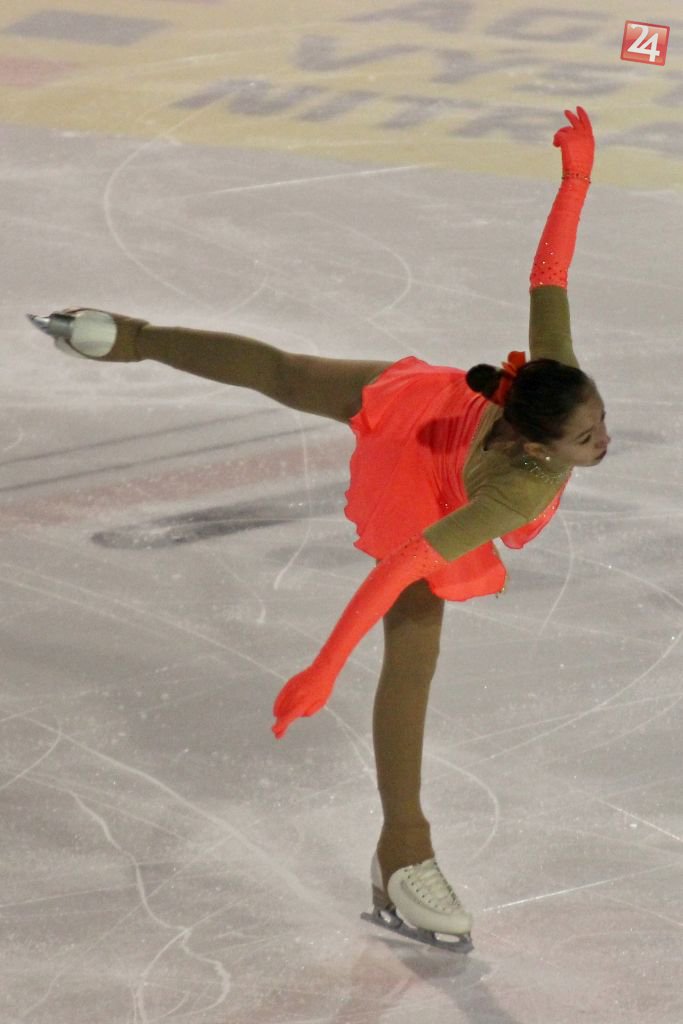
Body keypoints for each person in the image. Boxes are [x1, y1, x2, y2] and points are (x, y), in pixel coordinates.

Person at [29, 106, 606, 950]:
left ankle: (121, 337)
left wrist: (577, 175)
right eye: (585, 439)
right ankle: (402, 851)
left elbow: (549, 271)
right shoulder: (516, 490)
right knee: (413, 640)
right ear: (531, 444)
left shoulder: (552, 380)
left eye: (597, 423)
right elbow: (399, 563)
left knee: (290, 374)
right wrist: (323, 667)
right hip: (425, 478)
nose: (601, 441)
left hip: (437, 406)